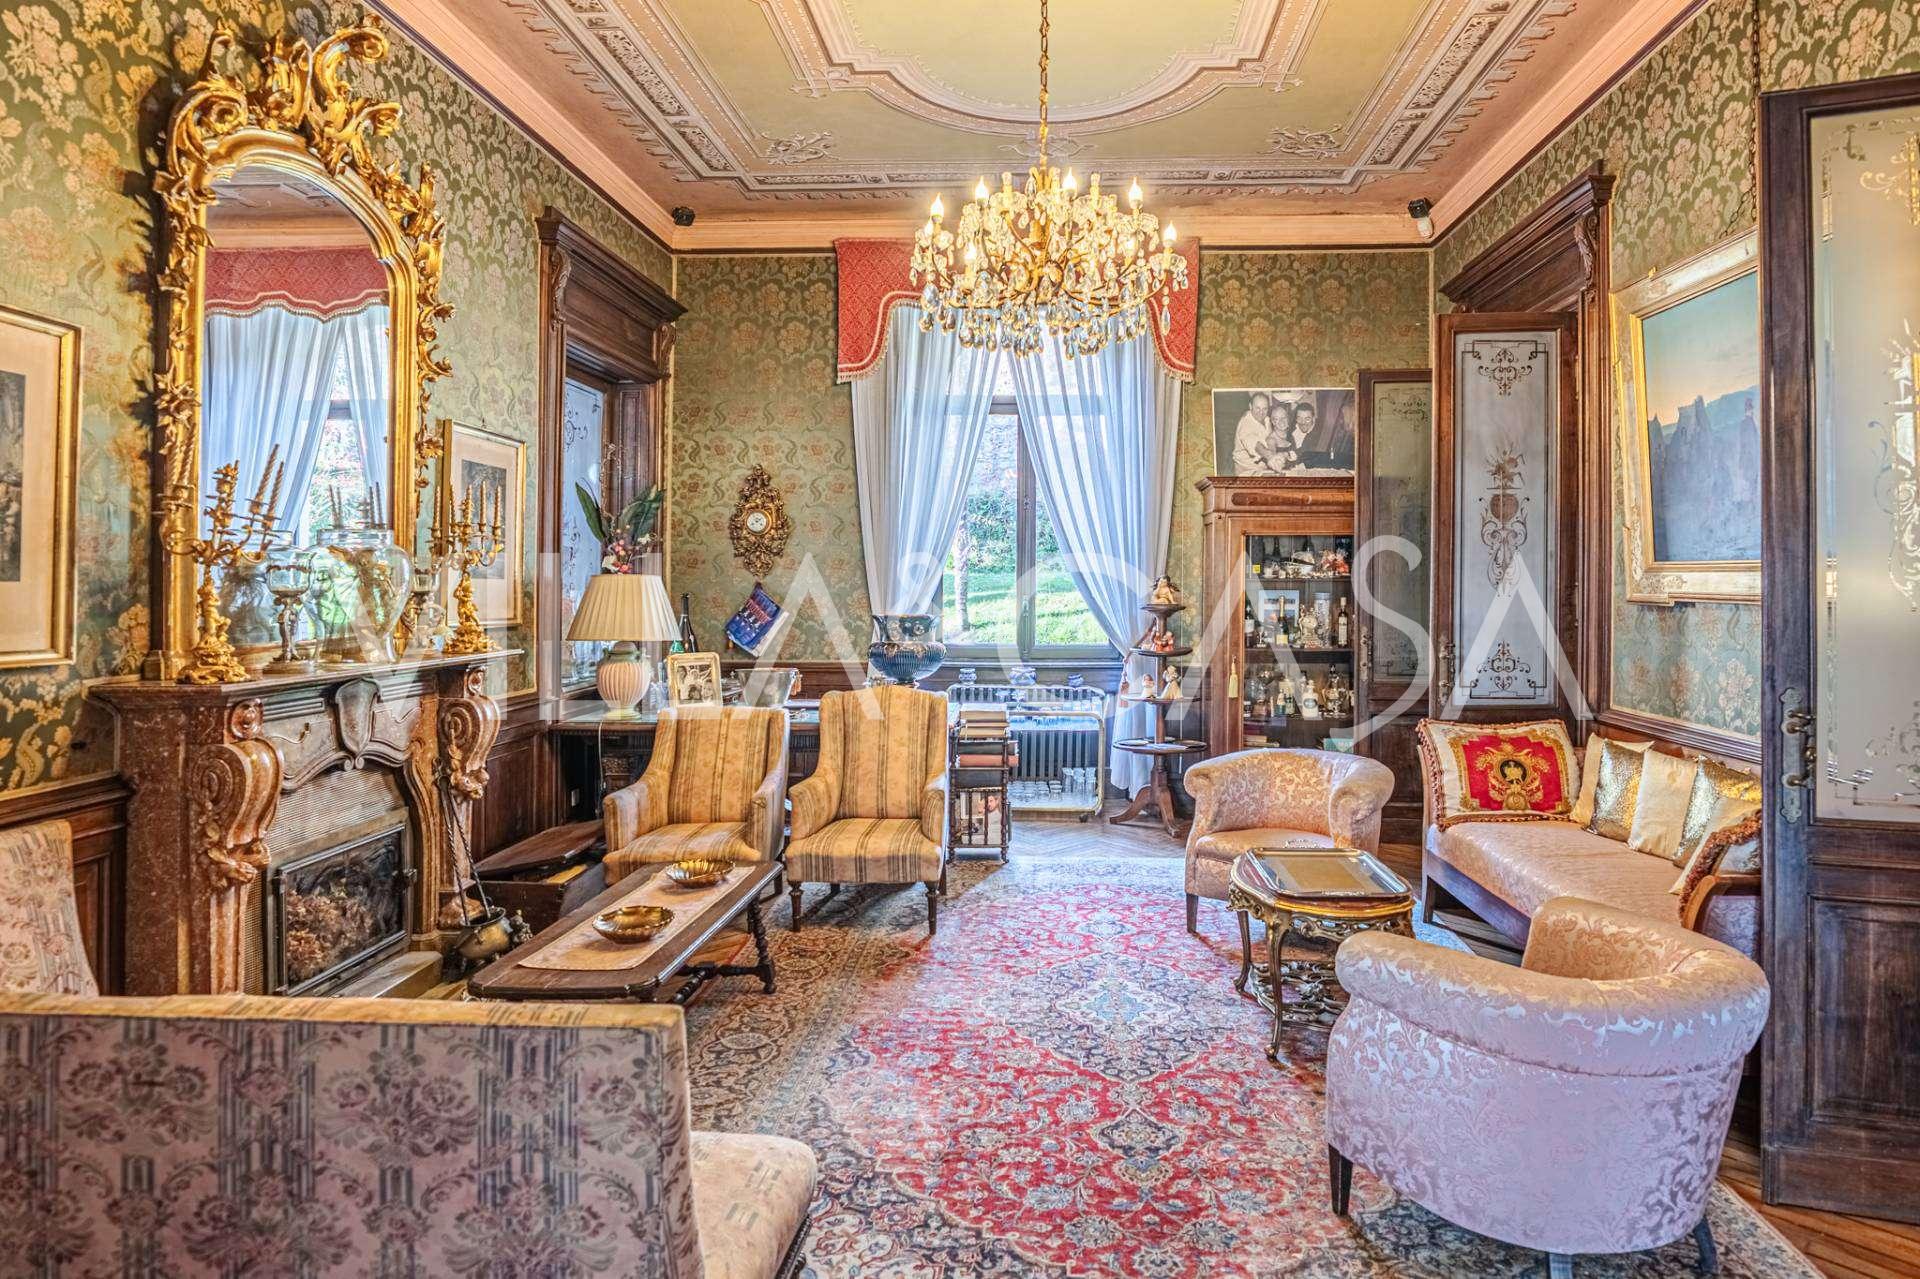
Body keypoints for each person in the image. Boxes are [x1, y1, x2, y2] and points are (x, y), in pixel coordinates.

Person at [1230, 392, 1275, 474]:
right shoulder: (1245, 424)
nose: (1261, 412)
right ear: (1250, 406)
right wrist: (1270, 456)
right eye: (1258, 408)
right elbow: (1254, 444)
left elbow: (1271, 439)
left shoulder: (1267, 419)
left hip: (1264, 468)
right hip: (1246, 470)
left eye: (1265, 409)